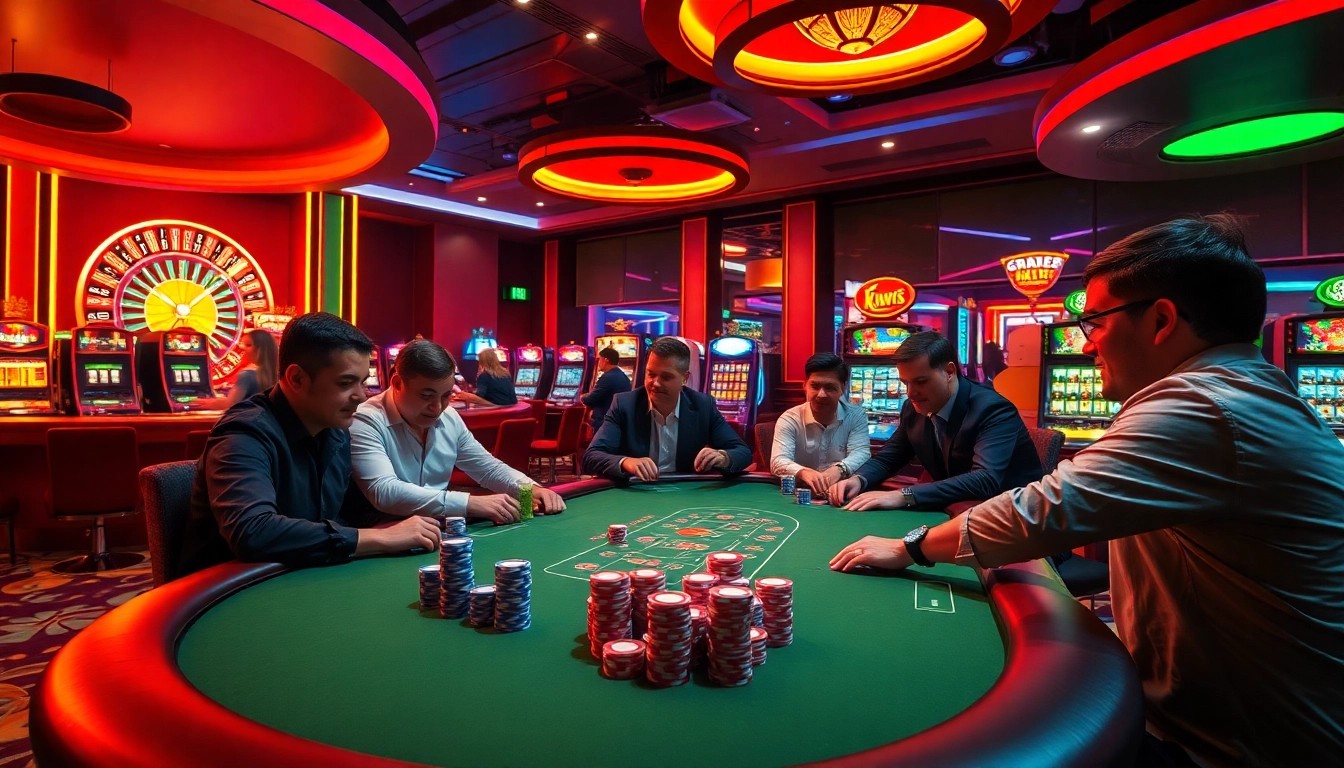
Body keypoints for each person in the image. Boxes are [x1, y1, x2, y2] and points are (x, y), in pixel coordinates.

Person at [830, 215, 1344, 766]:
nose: (1086, 341)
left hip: (1243, 749)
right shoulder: (1246, 392)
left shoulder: (1206, 405)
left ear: (1162, 319)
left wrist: (908, 547)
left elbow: (1042, 510)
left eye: (1095, 321)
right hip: (1220, 723)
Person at [179, 313, 441, 577]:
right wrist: (383, 538)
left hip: (299, 574)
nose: (361, 396)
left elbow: (352, 512)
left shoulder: (335, 430)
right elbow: (253, 532)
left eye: (362, 382)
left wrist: (424, 520)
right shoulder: (243, 433)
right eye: (346, 383)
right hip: (224, 591)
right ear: (297, 379)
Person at [351, 339, 565, 524]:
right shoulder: (366, 420)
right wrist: (469, 503)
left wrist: (530, 489)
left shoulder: (449, 416)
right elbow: (384, 491)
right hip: (384, 534)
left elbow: (488, 469)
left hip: (437, 529)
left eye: (445, 396)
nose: (437, 407)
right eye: (426, 396)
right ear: (397, 383)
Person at [827, 331, 1043, 511]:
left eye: (921, 382)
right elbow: (888, 459)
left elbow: (985, 480)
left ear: (949, 372)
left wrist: (904, 495)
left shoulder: (992, 409)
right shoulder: (912, 408)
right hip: (962, 512)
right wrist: (859, 479)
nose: (911, 393)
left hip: (1017, 523)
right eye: (905, 383)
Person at [583, 336, 752, 482]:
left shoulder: (702, 405)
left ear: (684, 379)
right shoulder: (625, 404)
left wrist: (723, 457)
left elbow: (743, 452)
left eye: (666, 377)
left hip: (686, 495)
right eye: (651, 374)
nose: (655, 383)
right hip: (638, 492)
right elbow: (592, 456)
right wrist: (626, 462)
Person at [770, 352, 870, 495]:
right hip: (799, 493)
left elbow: (861, 452)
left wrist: (839, 469)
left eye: (830, 387)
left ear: (843, 388)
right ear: (805, 386)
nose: (821, 394)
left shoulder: (856, 416)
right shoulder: (789, 418)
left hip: (840, 494)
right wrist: (803, 472)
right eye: (815, 386)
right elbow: (778, 461)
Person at [193, 329, 278, 410]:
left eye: (248, 345)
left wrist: (197, 402)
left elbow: (230, 404)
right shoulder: (277, 373)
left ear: (260, 349)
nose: (242, 348)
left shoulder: (247, 374)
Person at [581, 346, 632, 430]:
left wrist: (583, 397)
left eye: (600, 359)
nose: (599, 363)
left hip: (605, 420)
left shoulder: (608, 377)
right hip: (617, 420)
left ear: (606, 360)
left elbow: (591, 398)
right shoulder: (622, 375)